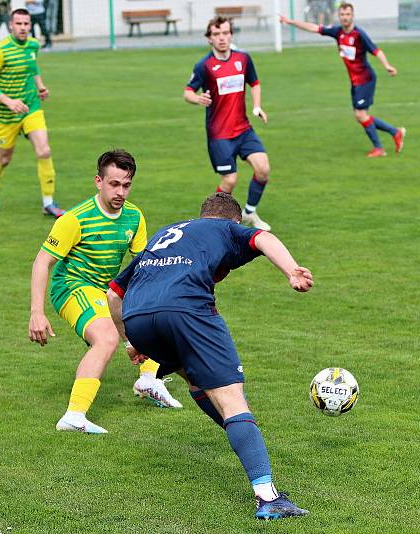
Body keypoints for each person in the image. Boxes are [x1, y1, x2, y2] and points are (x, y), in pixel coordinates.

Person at [107, 192, 313, 520]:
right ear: (233, 220)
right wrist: (291, 271)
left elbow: (114, 293)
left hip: (138, 318)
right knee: (233, 400)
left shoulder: (166, 234)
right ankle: (267, 497)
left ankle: (244, 434)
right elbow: (264, 238)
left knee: (194, 378)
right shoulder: (226, 228)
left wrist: (131, 341)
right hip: (186, 310)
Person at [29, 150, 183, 435]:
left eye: (126, 185)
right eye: (114, 184)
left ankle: (149, 378)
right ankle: (74, 416)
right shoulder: (75, 219)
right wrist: (36, 313)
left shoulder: (134, 217)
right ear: (98, 181)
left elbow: (143, 267)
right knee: (106, 338)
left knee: (157, 315)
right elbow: (42, 261)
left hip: (107, 289)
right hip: (73, 288)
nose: (120, 191)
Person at [280, 3, 405, 158]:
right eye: (342, 15)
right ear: (339, 16)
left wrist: (387, 65)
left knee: (360, 115)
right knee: (361, 115)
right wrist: (291, 22)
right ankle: (395, 132)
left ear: (352, 16)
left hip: (365, 79)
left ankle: (379, 149)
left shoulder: (359, 35)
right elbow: (314, 28)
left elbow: (376, 50)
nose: (345, 17)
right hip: (355, 81)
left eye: (347, 14)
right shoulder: (337, 32)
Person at [184, 16, 272, 231]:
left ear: (231, 35)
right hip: (219, 134)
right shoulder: (204, 65)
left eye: (225, 33)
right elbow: (187, 92)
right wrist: (198, 99)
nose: (221, 38)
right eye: (216, 34)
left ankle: (249, 213)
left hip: (243, 129)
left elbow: (255, 83)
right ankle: (212, 223)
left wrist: (257, 106)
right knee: (229, 181)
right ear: (209, 39)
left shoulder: (243, 59)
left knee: (263, 168)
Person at [0, 8, 64, 217]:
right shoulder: (0, 51)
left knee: (44, 151)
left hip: (31, 108)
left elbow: (32, 67)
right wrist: (9, 102)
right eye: (19, 24)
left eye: (26, 24)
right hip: (6, 114)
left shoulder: (33, 45)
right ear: (11, 25)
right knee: (4, 158)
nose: (23, 28)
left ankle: (48, 202)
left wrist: (41, 86)